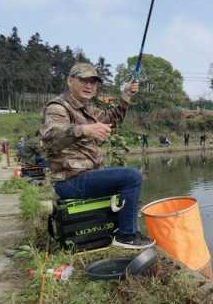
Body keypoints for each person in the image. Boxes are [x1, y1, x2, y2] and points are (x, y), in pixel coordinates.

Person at [41, 62, 154, 249]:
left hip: (87, 175)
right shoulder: (57, 107)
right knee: (131, 176)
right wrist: (84, 130)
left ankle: (124, 228)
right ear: (70, 81)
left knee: (128, 186)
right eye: (84, 80)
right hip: (70, 180)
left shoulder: (88, 109)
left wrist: (125, 97)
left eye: (93, 82)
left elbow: (111, 120)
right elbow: (51, 140)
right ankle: (126, 236)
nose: (89, 86)